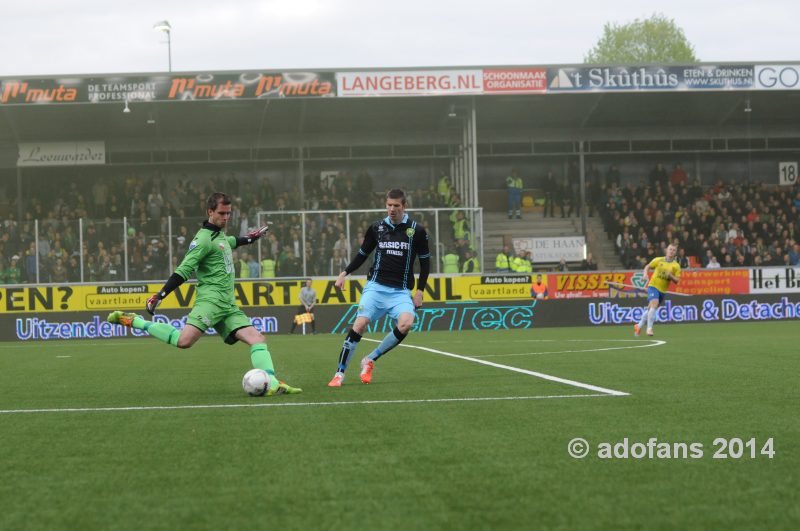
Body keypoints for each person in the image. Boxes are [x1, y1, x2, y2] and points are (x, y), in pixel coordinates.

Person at [107, 192, 301, 396]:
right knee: (184, 342)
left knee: (258, 339)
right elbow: (183, 270)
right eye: (222, 213)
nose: (226, 218)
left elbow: (229, 242)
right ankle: (134, 321)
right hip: (209, 302)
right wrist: (160, 295)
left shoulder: (219, 235)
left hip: (227, 305)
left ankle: (272, 383)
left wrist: (249, 239)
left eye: (229, 213)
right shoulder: (202, 240)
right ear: (210, 212)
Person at [327, 188, 430, 387]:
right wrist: (344, 273)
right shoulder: (377, 228)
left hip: (400, 291)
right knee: (360, 324)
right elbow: (362, 254)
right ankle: (339, 373)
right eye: (389, 205)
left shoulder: (417, 231)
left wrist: (420, 291)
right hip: (375, 287)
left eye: (396, 206)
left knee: (406, 324)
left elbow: (425, 263)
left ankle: (370, 359)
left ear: (404, 206)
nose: (392, 209)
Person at [634, 243, 681, 337]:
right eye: (670, 249)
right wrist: (645, 274)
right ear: (666, 250)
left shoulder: (676, 266)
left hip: (662, 291)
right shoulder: (658, 260)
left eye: (673, 250)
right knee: (654, 305)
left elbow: (677, 281)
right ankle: (649, 329)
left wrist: (671, 276)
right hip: (653, 286)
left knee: (650, 309)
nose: (671, 251)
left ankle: (638, 326)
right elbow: (647, 266)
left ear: (675, 253)